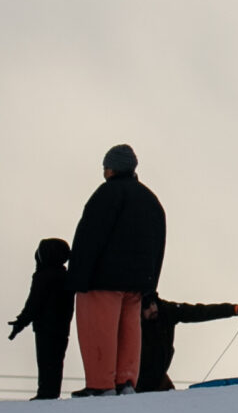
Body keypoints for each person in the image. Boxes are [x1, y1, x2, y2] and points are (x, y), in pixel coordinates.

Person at [68, 145, 166, 395]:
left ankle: (101, 384)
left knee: (99, 331)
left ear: (111, 168)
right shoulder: (150, 199)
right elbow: (159, 241)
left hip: (102, 279)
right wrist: (150, 284)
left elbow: (90, 236)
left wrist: (78, 276)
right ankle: (126, 381)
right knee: (129, 331)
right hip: (138, 282)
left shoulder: (107, 194)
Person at [6, 238, 73, 401]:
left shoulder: (42, 277)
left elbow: (34, 304)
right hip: (62, 328)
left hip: (44, 328)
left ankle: (46, 393)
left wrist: (21, 322)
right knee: (57, 362)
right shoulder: (67, 277)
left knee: (46, 361)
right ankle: (52, 391)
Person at [136, 294, 238, 392]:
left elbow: (200, 312)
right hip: (137, 383)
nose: (152, 309)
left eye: (153, 303)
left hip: (160, 380)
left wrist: (236, 309)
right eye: (146, 307)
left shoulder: (167, 311)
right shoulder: (133, 323)